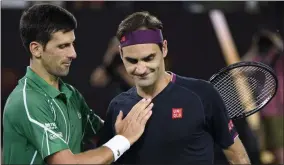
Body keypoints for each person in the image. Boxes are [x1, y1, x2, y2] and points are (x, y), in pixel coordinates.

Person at [2, 4, 154, 164]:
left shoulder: (71, 94)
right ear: (36, 49)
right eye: (63, 46)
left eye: (72, 44)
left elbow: (107, 132)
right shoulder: (28, 101)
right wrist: (123, 140)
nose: (73, 54)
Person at [98, 11, 251, 164]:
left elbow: (238, 157)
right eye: (132, 61)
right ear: (121, 55)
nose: (141, 68)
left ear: (164, 49)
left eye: (148, 58)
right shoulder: (117, 106)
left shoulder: (202, 94)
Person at [242, 29, 284, 164]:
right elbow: (241, 68)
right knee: (269, 152)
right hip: (266, 112)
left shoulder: (279, 58)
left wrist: (277, 43)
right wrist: (255, 49)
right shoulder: (260, 59)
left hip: (278, 112)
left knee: (279, 150)